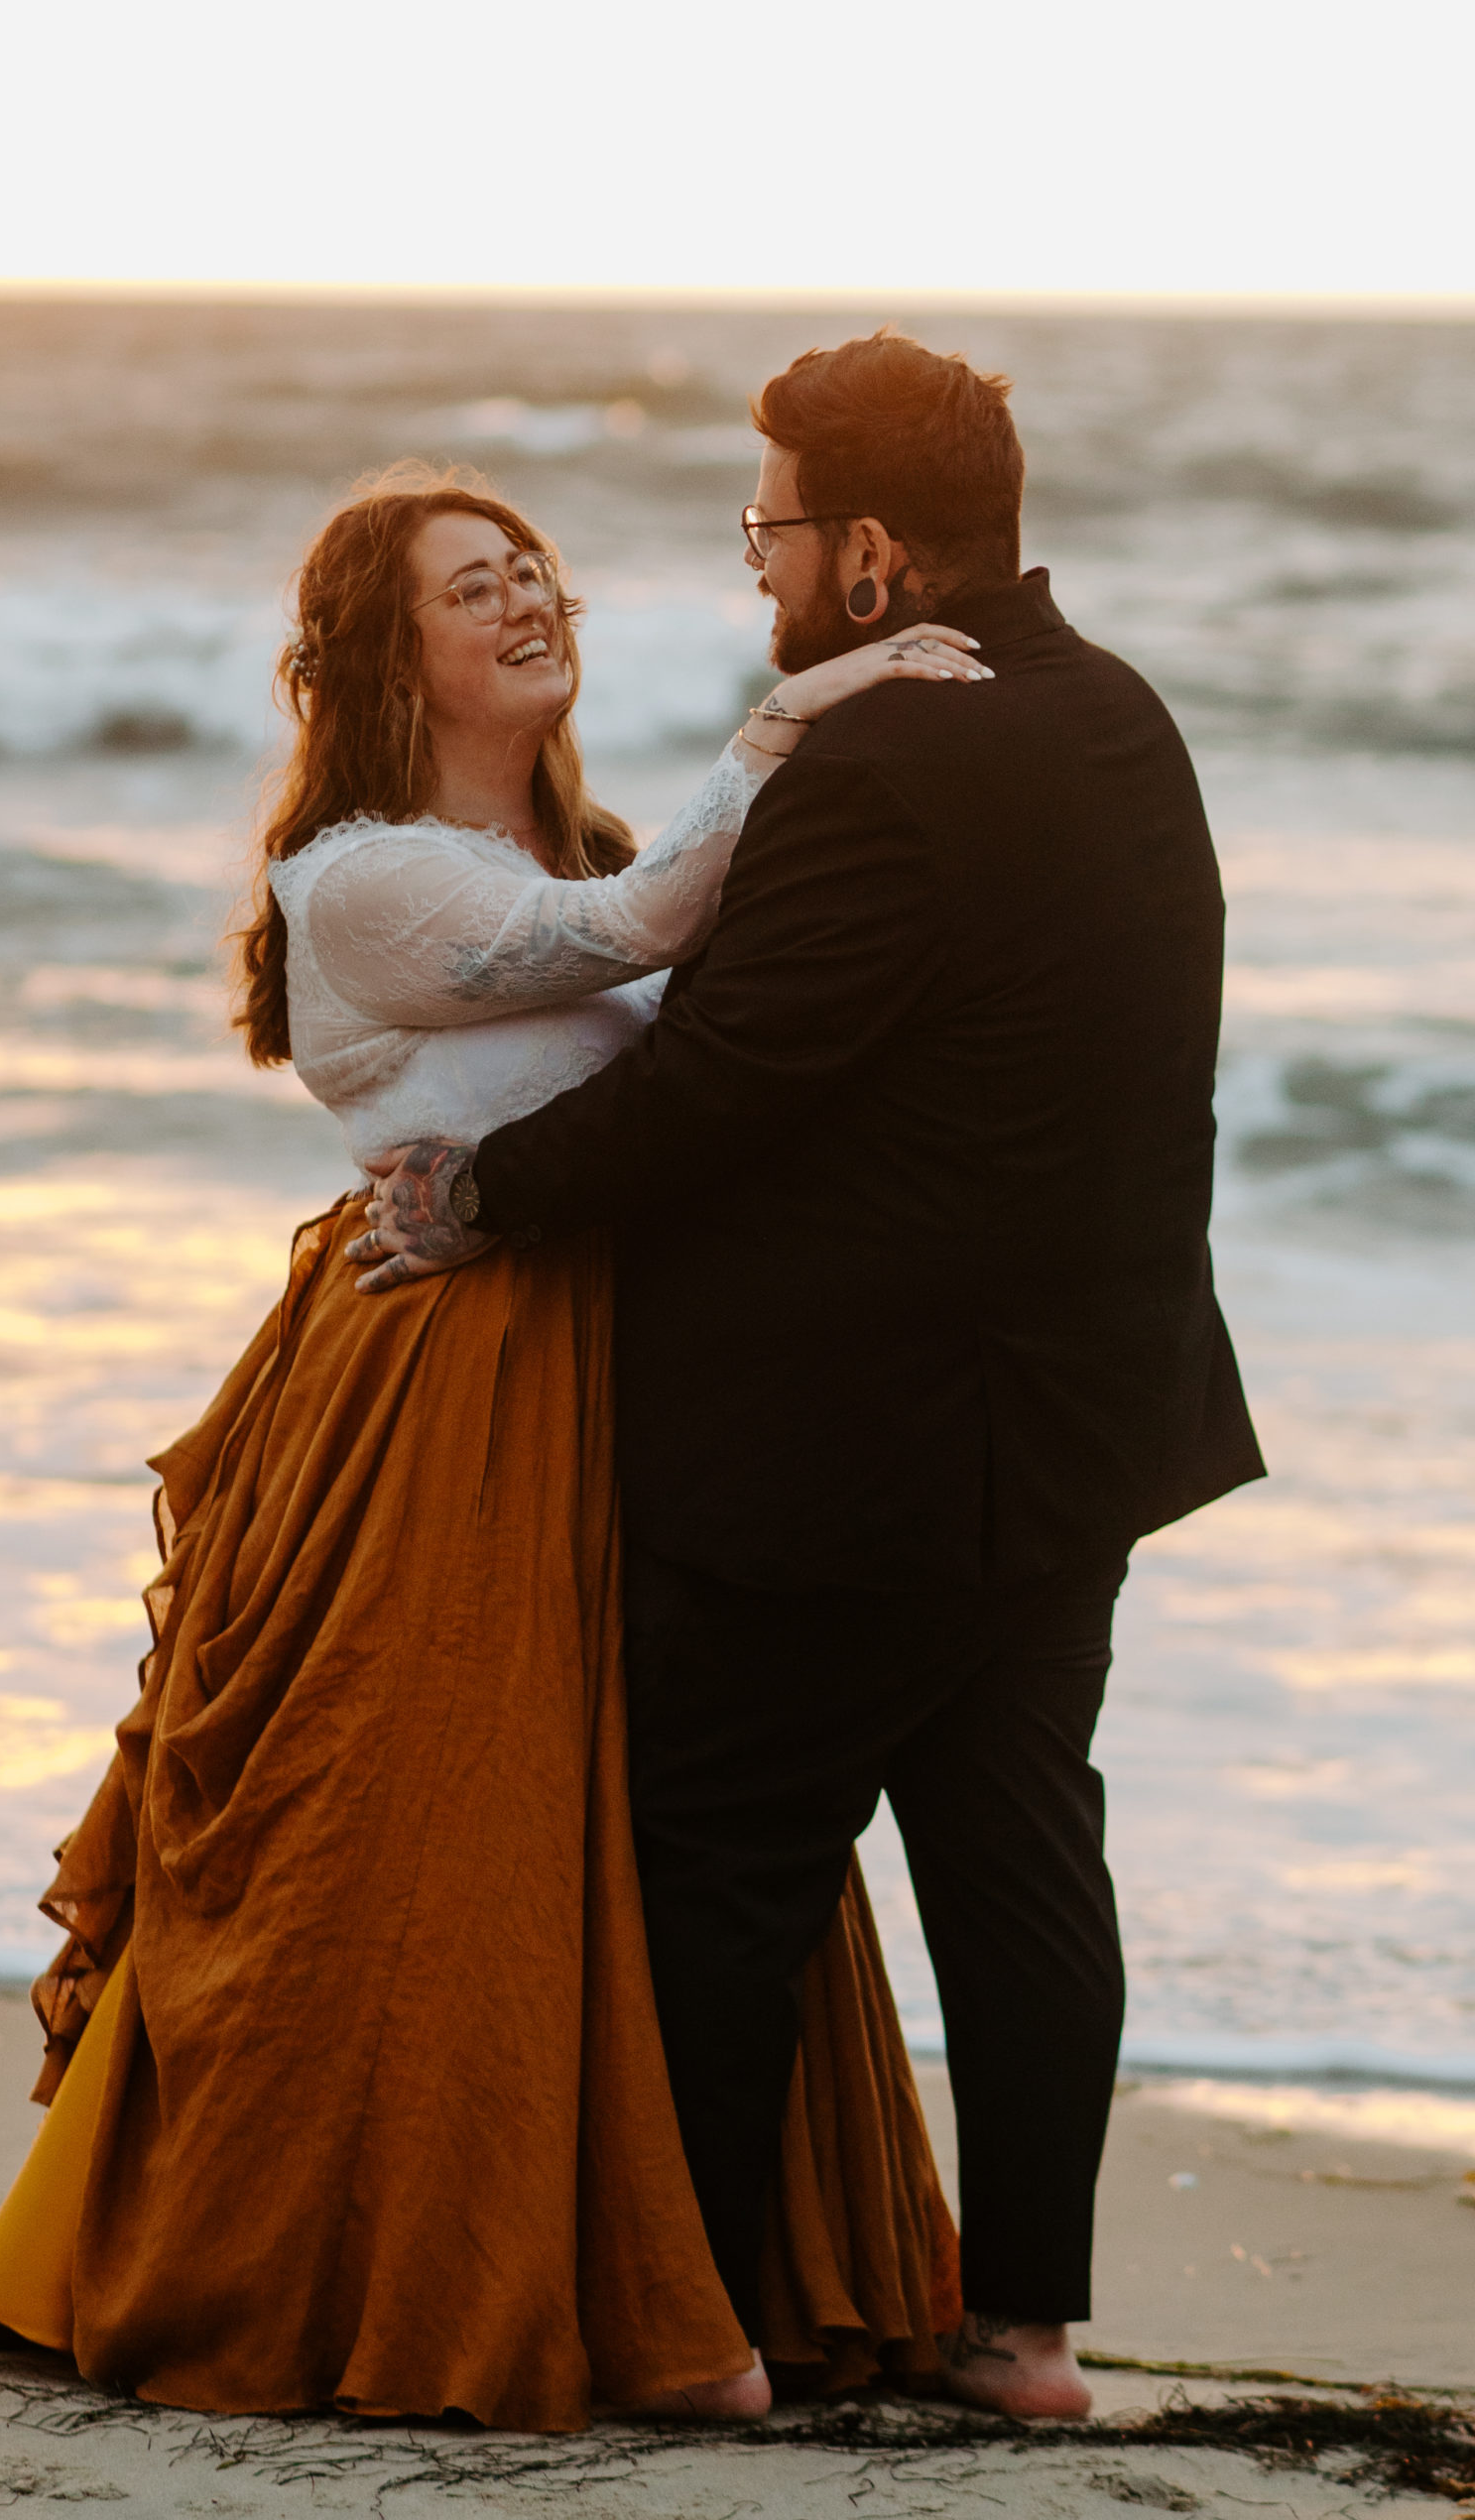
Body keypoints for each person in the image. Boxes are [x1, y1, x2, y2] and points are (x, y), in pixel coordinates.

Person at [0, 463, 989, 2432]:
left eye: (539, 572)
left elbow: (717, 1035)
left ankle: (692, 2261)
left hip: (620, 1378)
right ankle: (409, 2256)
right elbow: (633, 924)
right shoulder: (367, 874)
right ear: (377, 649)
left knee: (661, 1820)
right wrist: (790, 716)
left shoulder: (563, 833)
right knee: (439, 1827)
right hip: (447, 1392)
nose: (528, 602)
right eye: (474, 585)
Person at [354, 335, 1268, 2419]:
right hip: (1075, 1428)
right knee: (1024, 1854)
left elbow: (725, 1078)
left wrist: (486, 1193)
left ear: (864, 555)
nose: (754, 568)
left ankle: (710, 2329)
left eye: (769, 528)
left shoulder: (885, 763)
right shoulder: (1125, 720)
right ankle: (1021, 2331)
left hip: (849, 1443)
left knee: (724, 1854)